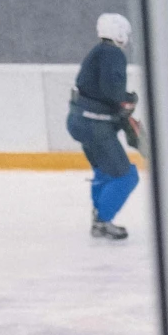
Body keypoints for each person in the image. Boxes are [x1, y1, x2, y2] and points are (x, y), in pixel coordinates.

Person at [68, 13, 140, 240]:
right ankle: (102, 220)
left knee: (104, 172)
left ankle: (99, 217)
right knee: (125, 176)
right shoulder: (113, 54)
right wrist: (126, 99)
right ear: (119, 33)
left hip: (79, 121)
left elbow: (93, 88)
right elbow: (111, 91)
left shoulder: (97, 52)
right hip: (95, 125)